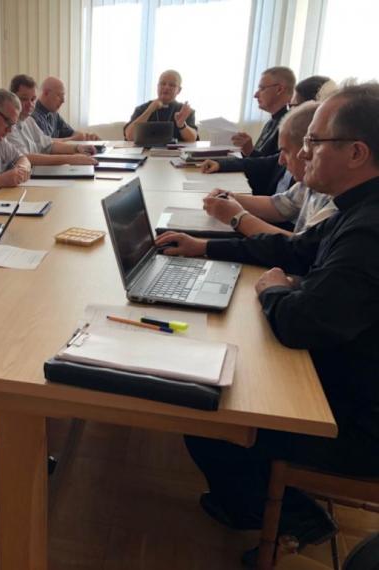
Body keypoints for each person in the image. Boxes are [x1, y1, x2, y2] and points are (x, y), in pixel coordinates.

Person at [155, 82, 379, 564]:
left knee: (212, 416)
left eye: (315, 141)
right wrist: (204, 247)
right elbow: (295, 249)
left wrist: (272, 289)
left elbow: (301, 322)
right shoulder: (358, 207)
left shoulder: (368, 230)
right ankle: (258, 502)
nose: (303, 151)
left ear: (357, 153)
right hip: (347, 378)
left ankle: (291, 516)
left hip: (358, 424)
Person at [202, 102, 336, 237]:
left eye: (286, 152)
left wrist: (238, 218)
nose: (281, 161)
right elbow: (278, 206)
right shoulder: (311, 183)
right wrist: (230, 197)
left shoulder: (335, 202)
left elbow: (302, 247)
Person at [199, 74, 332, 197]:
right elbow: (268, 164)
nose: (256, 94)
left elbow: (267, 173)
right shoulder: (273, 123)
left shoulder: (313, 182)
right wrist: (222, 164)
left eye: (292, 106)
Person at [7, 74, 98, 166]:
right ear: (12, 98)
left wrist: (77, 148)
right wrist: (71, 159)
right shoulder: (7, 127)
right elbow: (24, 158)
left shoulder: (29, 121)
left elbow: (49, 145)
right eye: (24, 99)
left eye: (33, 99)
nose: (30, 104)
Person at [232, 66, 295, 157]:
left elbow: (275, 165)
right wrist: (246, 150)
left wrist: (250, 151)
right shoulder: (270, 123)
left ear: (279, 89)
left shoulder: (290, 126)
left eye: (262, 89)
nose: (256, 95)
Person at [124, 70, 198, 142]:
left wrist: (182, 125)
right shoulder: (142, 108)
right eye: (162, 83)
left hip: (175, 150)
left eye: (172, 85)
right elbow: (129, 136)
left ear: (179, 90)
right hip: (146, 150)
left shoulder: (184, 111)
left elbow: (192, 139)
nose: (166, 87)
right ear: (157, 86)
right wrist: (149, 110)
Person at [31, 76, 99, 141]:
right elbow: (45, 144)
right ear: (46, 93)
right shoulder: (32, 116)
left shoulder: (54, 115)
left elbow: (71, 133)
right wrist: (73, 139)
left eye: (63, 95)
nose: (63, 100)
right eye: (59, 95)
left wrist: (86, 137)